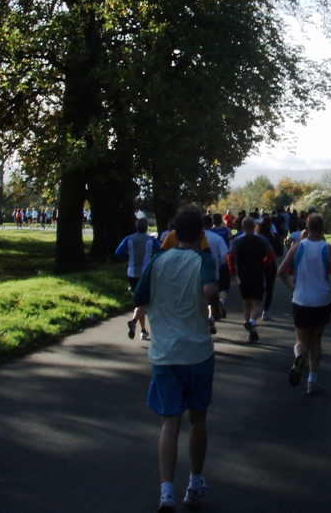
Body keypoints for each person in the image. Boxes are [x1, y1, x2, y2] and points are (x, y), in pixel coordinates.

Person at [130, 210, 220, 513]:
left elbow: (139, 298)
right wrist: (214, 305)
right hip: (197, 353)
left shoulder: (158, 261)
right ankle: (194, 484)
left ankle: (166, 491)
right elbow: (209, 289)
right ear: (200, 235)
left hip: (165, 353)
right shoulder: (203, 260)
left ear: (174, 232)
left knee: (170, 422)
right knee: (198, 420)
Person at [277, 213, 331, 395]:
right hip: (322, 299)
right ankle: (312, 380)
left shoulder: (298, 247)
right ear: (323, 229)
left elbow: (281, 271)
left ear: (307, 228)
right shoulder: (328, 249)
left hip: (302, 299)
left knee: (301, 340)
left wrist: (292, 287)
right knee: (316, 340)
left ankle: (299, 356)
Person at [227, 216, 275, 343]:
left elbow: (231, 255)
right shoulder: (262, 239)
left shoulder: (237, 240)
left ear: (242, 227)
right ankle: (253, 322)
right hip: (258, 272)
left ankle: (250, 327)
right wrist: (265, 264)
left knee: (246, 302)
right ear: (254, 227)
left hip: (243, 273)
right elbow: (271, 255)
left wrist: (232, 268)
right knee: (257, 302)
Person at [116, 217, 162, 341]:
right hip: (145, 274)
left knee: (138, 301)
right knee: (145, 302)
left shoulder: (129, 239)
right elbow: (161, 250)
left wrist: (128, 257)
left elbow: (118, 252)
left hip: (132, 273)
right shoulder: (151, 240)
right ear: (147, 228)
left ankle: (143, 330)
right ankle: (134, 321)